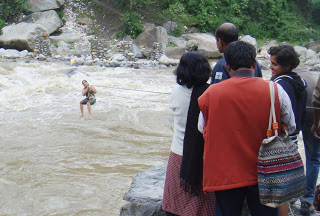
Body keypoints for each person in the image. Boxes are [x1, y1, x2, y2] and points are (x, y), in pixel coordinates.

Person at [198, 41, 296, 216]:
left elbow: (201, 127)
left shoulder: (210, 94)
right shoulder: (275, 90)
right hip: (265, 172)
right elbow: (291, 125)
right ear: (254, 64)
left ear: (227, 65)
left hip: (224, 173)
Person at [162, 51, 215, 216]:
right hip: (203, 156)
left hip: (178, 153)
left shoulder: (176, 91)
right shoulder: (212, 93)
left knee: (175, 206)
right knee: (202, 208)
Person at [268, 45, 308, 216]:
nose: (270, 67)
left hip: (280, 139)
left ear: (287, 66)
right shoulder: (300, 82)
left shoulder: (280, 85)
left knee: (278, 186)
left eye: (274, 65)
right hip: (293, 138)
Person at [296, 70, 319, 216]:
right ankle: (308, 199)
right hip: (312, 115)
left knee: (291, 154)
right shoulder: (309, 76)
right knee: (314, 157)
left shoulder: (282, 78)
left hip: (297, 116)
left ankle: (290, 195)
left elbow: (317, 98)